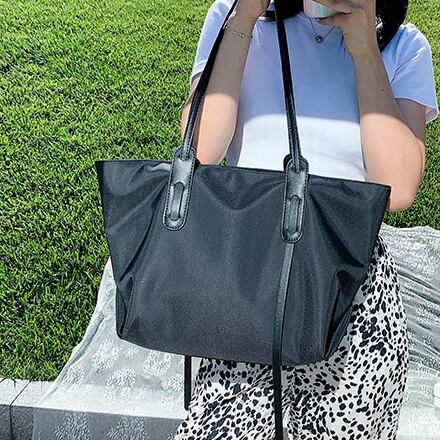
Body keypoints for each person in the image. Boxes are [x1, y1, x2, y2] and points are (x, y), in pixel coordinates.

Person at [172, 0, 439, 438]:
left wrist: (364, 51)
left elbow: (398, 186)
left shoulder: (403, 46)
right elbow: (200, 150)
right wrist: (244, 19)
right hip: (248, 291)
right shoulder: (234, 16)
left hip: (352, 306)